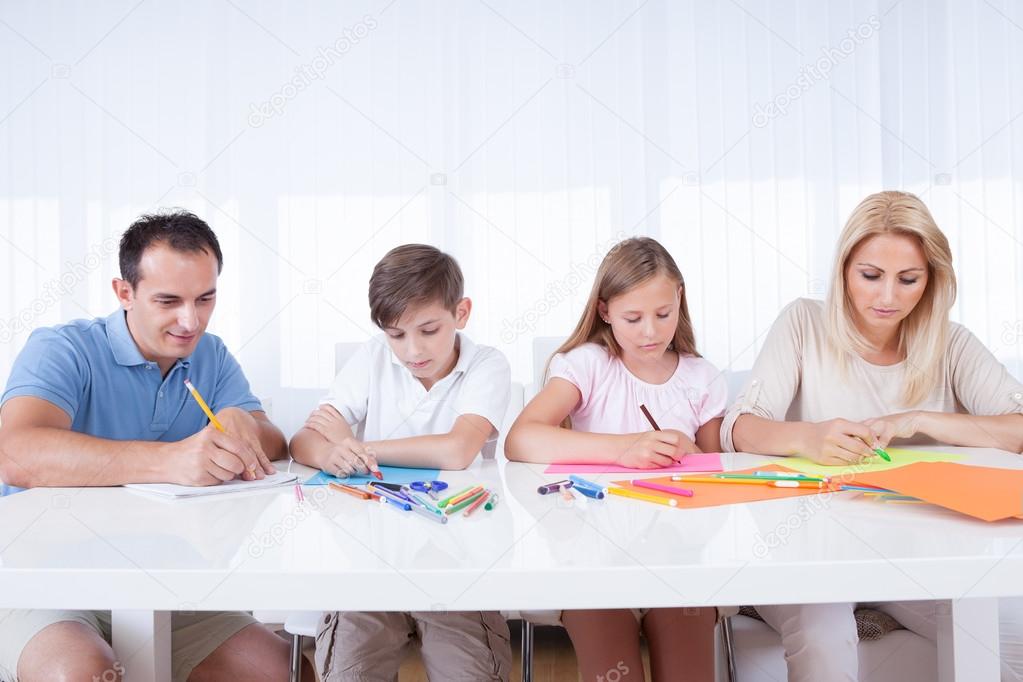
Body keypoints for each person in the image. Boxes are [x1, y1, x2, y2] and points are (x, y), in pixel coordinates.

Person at [722, 190, 1023, 681]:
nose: (887, 298)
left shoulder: (951, 343)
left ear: (932, 281)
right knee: (823, 636)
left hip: (916, 549)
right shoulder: (804, 323)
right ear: (843, 271)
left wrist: (920, 419)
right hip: (809, 547)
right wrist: (808, 437)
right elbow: (738, 429)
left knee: (999, 638)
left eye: (908, 280)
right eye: (870, 276)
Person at [0, 210, 307, 681]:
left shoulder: (211, 355)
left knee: (281, 672)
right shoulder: (63, 349)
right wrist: (170, 461)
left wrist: (241, 419)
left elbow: (275, 442)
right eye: (169, 301)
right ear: (124, 293)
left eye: (206, 299)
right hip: (44, 580)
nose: (191, 320)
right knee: (82, 674)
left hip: (167, 581)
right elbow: (15, 452)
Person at [291, 244, 512, 681]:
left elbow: (457, 451)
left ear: (461, 313)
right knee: (348, 672)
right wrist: (332, 451)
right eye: (396, 335)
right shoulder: (373, 357)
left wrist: (360, 446)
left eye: (429, 330)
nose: (412, 350)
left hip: (458, 568)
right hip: (372, 564)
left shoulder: (488, 365)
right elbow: (304, 439)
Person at [505, 236, 721, 682]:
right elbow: (520, 439)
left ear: (680, 298)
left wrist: (693, 452)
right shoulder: (588, 365)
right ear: (604, 311)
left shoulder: (701, 378)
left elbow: (720, 481)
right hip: (593, 563)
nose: (650, 332)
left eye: (663, 314)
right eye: (632, 317)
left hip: (680, 565)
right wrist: (624, 448)